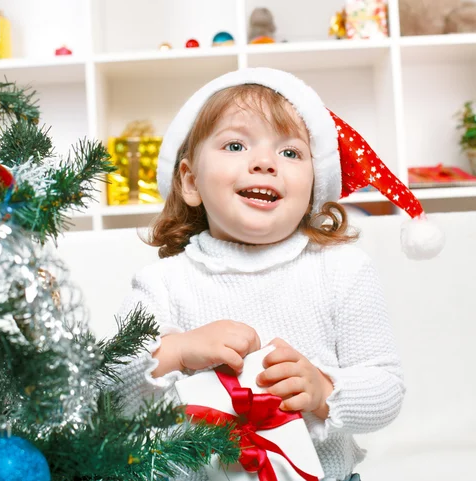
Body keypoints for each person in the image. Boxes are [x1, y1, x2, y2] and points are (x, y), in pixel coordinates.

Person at [115, 68, 444, 481]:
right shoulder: (162, 283)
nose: (265, 162)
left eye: (290, 153)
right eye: (235, 144)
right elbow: (108, 394)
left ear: (315, 184)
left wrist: (325, 391)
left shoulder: (343, 270)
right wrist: (175, 351)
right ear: (190, 180)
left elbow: (386, 390)